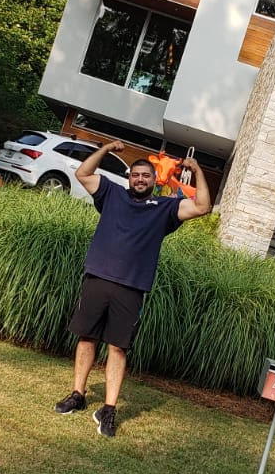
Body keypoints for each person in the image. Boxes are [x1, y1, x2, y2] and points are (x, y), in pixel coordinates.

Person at [54, 140, 212, 437]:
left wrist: (198, 170)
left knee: (118, 346)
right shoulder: (111, 194)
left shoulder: (165, 208)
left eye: (146, 176)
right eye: (135, 175)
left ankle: (109, 410)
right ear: (129, 178)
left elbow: (203, 206)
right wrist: (105, 150)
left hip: (131, 287)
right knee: (87, 338)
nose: (140, 179)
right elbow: (83, 174)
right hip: (98, 278)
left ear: (155, 181)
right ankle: (78, 394)